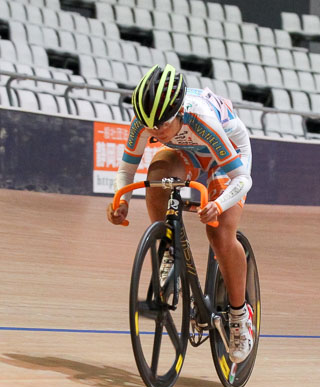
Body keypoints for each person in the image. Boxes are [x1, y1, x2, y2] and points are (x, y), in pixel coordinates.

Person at [106, 64, 254, 363]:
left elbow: (242, 179)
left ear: (177, 111)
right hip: (187, 152)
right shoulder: (144, 122)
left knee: (219, 233)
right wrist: (119, 200)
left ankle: (240, 316)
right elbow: (126, 168)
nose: (155, 131)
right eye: (150, 126)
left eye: (161, 125)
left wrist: (219, 204)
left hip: (226, 157)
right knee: (158, 174)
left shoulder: (200, 118)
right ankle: (169, 250)